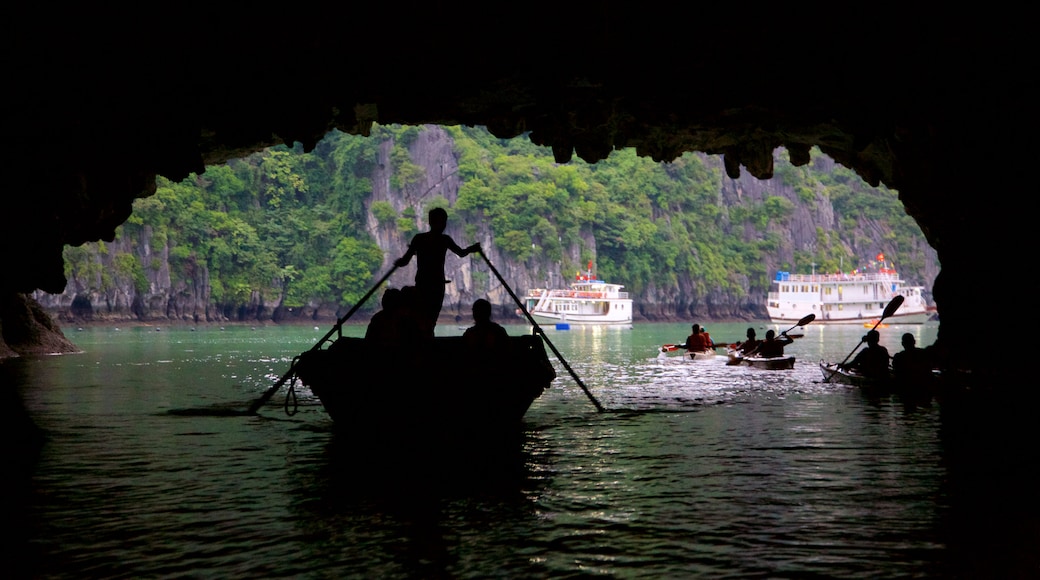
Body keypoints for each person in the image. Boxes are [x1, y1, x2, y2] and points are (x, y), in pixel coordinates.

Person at [394, 207, 480, 336]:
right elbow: (461, 253)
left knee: (422, 317)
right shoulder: (444, 240)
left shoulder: (419, 239)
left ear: (429, 222)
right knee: (431, 319)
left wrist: (399, 262)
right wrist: (472, 248)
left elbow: (405, 261)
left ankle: (422, 341)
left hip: (423, 284)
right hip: (436, 285)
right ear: (443, 223)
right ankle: (428, 340)